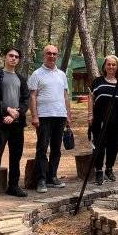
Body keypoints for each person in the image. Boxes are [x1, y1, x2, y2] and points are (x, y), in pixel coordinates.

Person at [0, 47, 30, 201]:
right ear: (4, 57)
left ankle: (14, 186)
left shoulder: (21, 79)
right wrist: (7, 110)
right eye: (10, 56)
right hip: (0, 122)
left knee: (16, 155)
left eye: (16, 57)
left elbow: (26, 100)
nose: (13, 58)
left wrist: (16, 113)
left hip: (17, 123)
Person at [28, 44, 72, 193]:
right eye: (49, 53)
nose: (52, 56)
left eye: (54, 54)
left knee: (56, 148)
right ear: (43, 55)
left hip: (60, 115)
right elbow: (32, 96)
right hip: (44, 116)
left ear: (57, 56)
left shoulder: (62, 74)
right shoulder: (36, 74)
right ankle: (41, 179)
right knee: (42, 148)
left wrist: (68, 115)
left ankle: (52, 176)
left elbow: (65, 95)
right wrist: (34, 116)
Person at [88, 55, 118, 185]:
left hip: (117, 120)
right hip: (100, 120)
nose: (111, 67)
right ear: (105, 66)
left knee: (114, 146)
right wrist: (90, 115)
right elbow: (91, 97)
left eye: (114, 65)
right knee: (99, 146)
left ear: (117, 67)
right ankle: (98, 171)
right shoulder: (98, 81)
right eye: (109, 64)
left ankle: (109, 168)